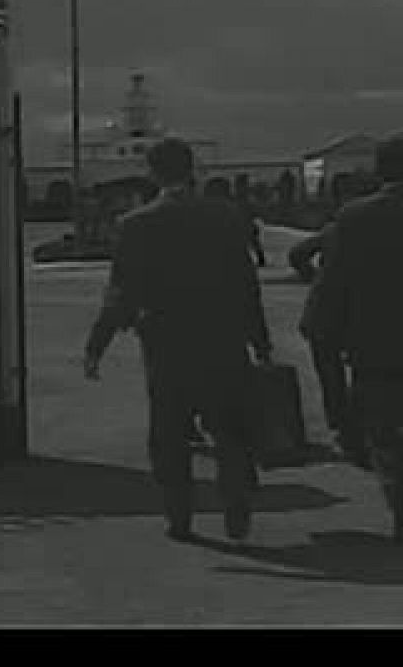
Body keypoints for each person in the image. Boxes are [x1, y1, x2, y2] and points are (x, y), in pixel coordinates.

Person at [83, 139, 274, 543]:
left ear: (153, 173)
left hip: (167, 346)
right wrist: (261, 341)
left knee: (169, 432)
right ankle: (236, 495)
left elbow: (122, 292)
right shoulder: (225, 217)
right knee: (229, 428)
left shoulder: (136, 224)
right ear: (193, 169)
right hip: (223, 341)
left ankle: (179, 516)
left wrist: (97, 345)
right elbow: (246, 285)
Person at [306, 139, 403, 543]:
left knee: (381, 425)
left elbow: (335, 278)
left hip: (369, 339)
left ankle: (398, 497)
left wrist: (320, 324)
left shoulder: (354, 218)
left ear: (377, 172)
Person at [293, 223, 363, 463]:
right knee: (363, 367)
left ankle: (341, 426)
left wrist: (313, 278)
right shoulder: (388, 232)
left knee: (330, 372)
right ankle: (359, 424)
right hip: (362, 311)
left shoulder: (338, 228)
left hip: (325, 309)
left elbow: (297, 253)